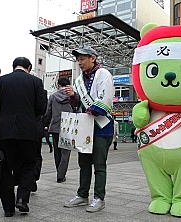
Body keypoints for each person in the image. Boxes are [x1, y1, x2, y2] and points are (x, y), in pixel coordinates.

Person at [0, 57, 46, 217]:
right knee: (29, 165)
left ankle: (8, 208)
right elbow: (41, 108)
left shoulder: (0, 82)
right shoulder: (36, 82)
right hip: (28, 132)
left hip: (5, 132)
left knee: (5, 168)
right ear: (29, 67)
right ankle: (22, 199)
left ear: (14, 67)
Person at [63, 45, 114, 213]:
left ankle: (99, 198)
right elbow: (77, 104)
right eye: (78, 60)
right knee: (83, 164)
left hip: (101, 127)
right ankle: (82, 195)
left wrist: (88, 110)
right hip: (86, 128)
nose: (80, 62)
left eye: (82, 59)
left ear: (93, 58)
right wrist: (73, 96)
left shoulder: (104, 74)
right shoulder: (79, 80)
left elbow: (105, 99)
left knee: (99, 164)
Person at [46, 77, 72, 183]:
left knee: (57, 151)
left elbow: (48, 112)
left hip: (55, 127)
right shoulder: (71, 97)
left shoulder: (52, 96)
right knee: (65, 152)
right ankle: (61, 175)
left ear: (58, 85)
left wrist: (48, 123)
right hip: (68, 127)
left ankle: (59, 172)